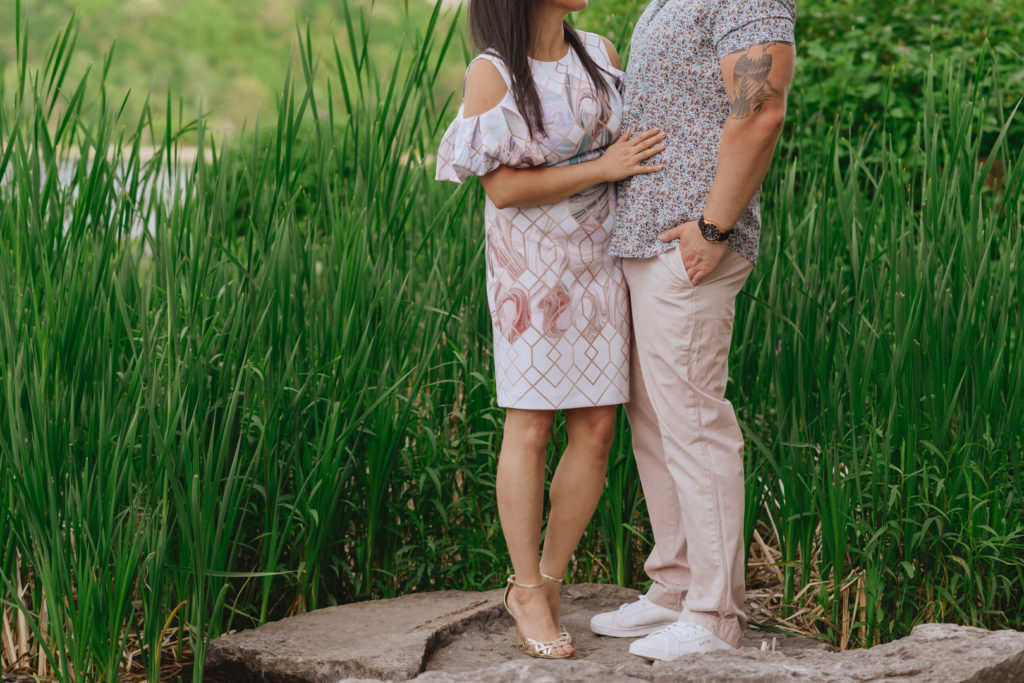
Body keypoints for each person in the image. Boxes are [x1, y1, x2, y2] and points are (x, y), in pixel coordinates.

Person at [435, 0, 666, 660]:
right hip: (530, 273)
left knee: (596, 429)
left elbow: (638, 146)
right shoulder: (494, 73)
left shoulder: (600, 51)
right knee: (531, 423)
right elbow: (502, 190)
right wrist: (604, 167)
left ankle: (552, 578)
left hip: (601, 261)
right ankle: (524, 585)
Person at [588, 0, 797, 661]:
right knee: (653, 420)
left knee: (694, 423)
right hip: (647, 240)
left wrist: (714, 226)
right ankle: (676, 586)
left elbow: (761, 108)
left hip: (694, 241)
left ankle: (714, 615)